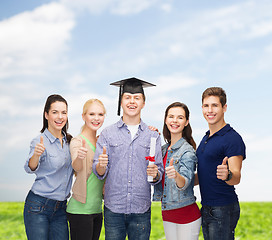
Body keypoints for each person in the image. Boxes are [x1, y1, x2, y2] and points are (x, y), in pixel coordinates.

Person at [92, 77, 164, 240]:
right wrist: (101, 165)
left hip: (141, 209)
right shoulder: (107, 134)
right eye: (128, 97)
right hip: (113, 209)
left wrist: (156, 173)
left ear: (143, 103)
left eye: (137, 98)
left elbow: (157, 173)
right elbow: (99, 171)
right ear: (121, 101)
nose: (132, 101)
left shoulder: (153, 136)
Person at [196, 87, 246, 240]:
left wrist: (228, 175)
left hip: (223, 208)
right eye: (206, 106)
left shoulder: (232, 138)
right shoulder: (205, 138)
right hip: (206, 207)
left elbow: (236, 176)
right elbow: (205, 173)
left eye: (215, 105)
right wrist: (180, 180)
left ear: (224, 108)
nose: (209, 110)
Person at [23, 94, 73, 240]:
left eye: (64, 112)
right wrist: (36, 156)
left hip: (61, 209)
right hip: (38, 206)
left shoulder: (70, 141)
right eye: (55, 112)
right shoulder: (39, 141)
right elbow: (30, 167)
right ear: (46, 115)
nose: (60, 117)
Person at [153, 102, 201, 240]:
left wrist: (176, 175)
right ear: (165, 120)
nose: (175, 120)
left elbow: (185, 182)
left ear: (186, 122)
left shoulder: (187, 151)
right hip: (167, 213)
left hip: (186, 214)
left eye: (180, 117)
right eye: (171, 116)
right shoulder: (162, 150)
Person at [66, 99, 106, 240]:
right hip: (80, 210)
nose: (96, 118)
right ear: (84, 116)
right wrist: (79, 158)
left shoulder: (102, 142)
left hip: (97, 209)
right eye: (92, 114)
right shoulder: (77, 141)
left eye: (100, 114)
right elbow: (76, 166)